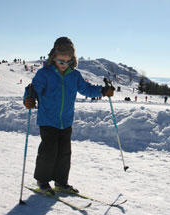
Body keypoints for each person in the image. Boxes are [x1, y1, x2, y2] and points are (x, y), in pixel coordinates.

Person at [22, 37, 114, 195]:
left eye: (68, 62)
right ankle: (42, 181)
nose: (64, 65)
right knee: (49, 151)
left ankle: (61, 182)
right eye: (61, 61)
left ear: (73, 60)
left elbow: (86, 89)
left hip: (66, 121)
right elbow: (32, 90)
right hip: (48, 120)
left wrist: (102, 91)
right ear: (53, 58)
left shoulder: (74, 75)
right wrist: (28, 99)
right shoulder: (44, 74)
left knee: (64, 153)